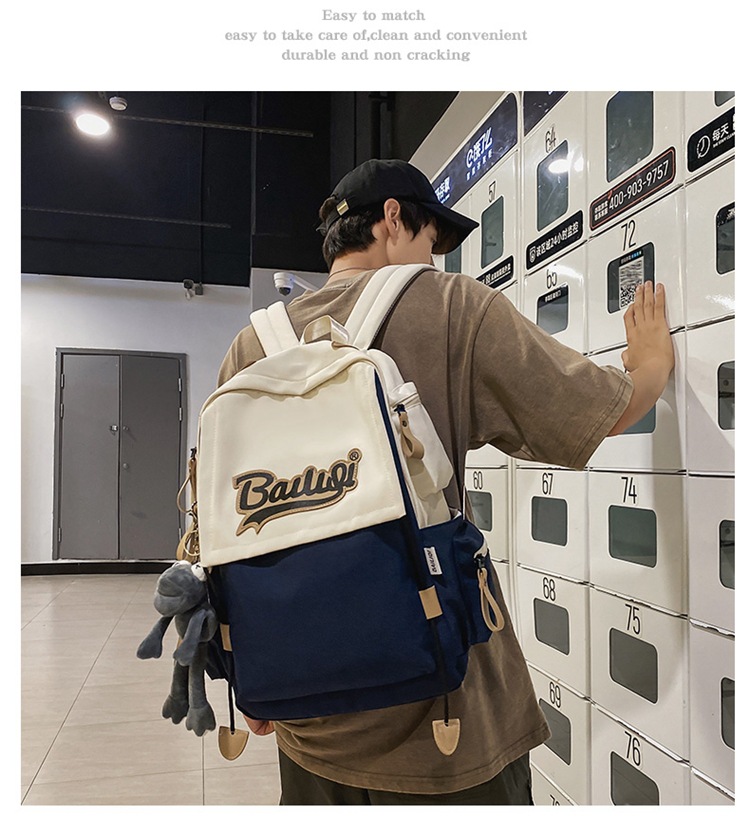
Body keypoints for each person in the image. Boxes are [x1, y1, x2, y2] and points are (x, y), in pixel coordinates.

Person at [216, 158, 675, 805]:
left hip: (307, 720)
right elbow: (594, 414)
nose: (433, 261)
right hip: (444, 728)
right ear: (393, 219)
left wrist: (253, 666)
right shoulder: (451, 306)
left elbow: (229, 527)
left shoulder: (251, 347)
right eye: (432, 241)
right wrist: (649, 367)